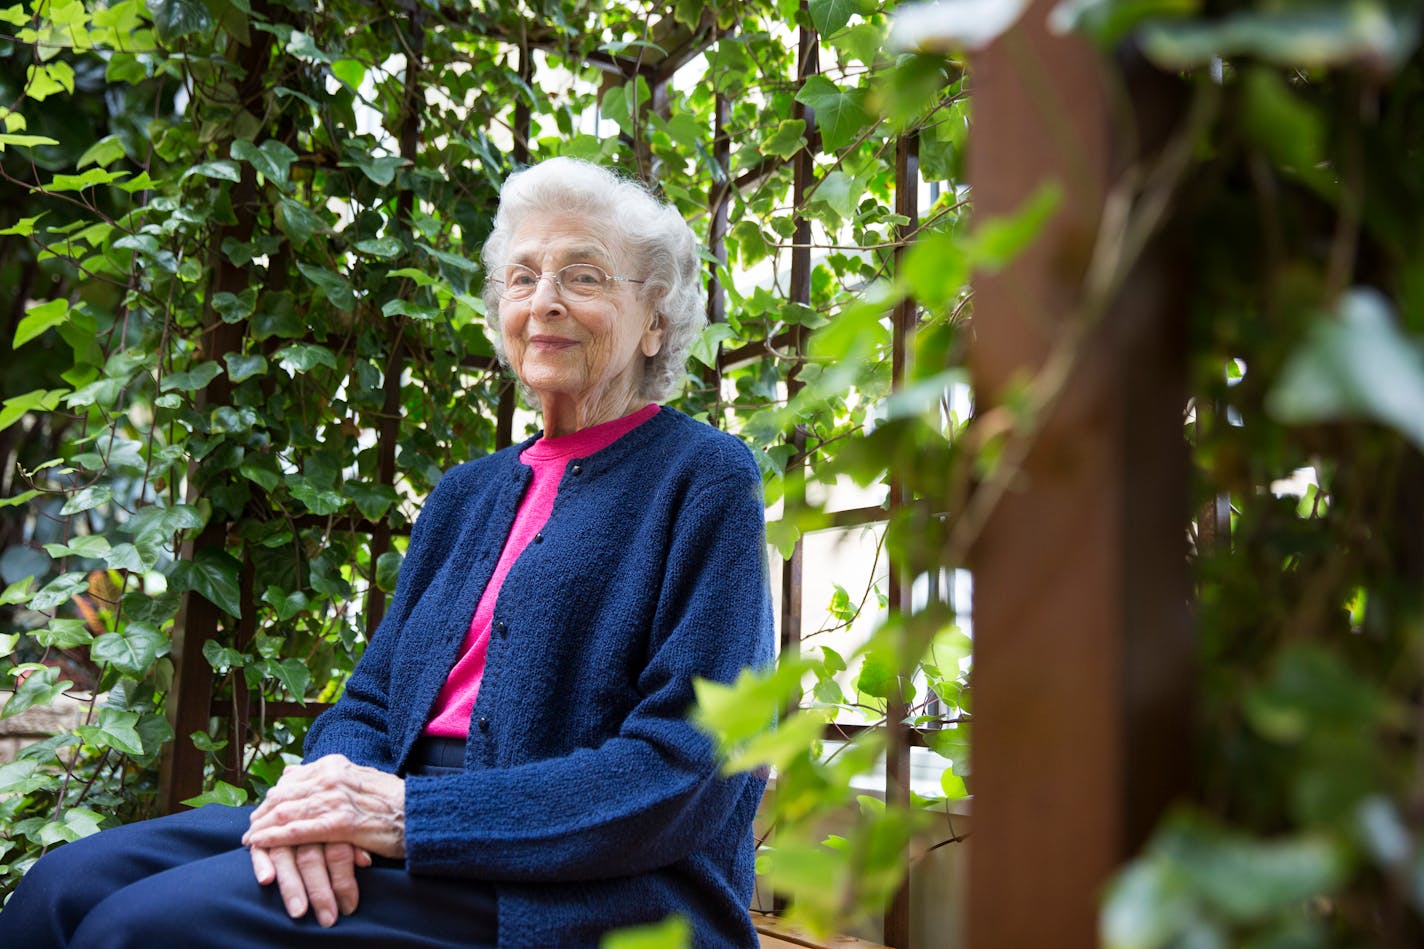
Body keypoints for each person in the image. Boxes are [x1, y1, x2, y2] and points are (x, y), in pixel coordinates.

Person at [0, 157, 775, 949]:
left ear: (654, 319)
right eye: (522, 276)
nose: (544, 300)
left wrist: (409, 817)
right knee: (56, 893)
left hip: (586, 881)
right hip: (400, 824)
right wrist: (333, 805)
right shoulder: (467, 494)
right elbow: (368, 704)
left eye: (583, 275)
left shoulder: (704, 476)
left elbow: (691, 766)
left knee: (136, 932)